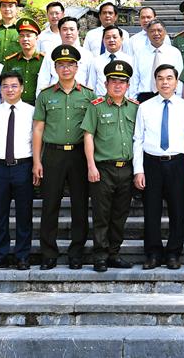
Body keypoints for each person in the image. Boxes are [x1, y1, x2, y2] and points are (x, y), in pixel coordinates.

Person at [32, 45, 96, 269]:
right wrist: (37, 161)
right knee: (50, 204)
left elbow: (92, 131)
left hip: (79, 155)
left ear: (77, 67)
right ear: (55, 67)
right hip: (53, 154)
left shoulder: (89, 95)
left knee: (80, 205)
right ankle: (48, 253)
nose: (66, 68)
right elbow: (38, 129)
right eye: (61, 65)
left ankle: (76, 252)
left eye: (70, 64)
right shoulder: (46, 95)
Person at [133, 64, 184, 270]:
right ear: (155, 82)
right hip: (152, 163)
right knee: (152, 210)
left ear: (176, 82)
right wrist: (138, 170)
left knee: (177, 210)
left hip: (177, 162)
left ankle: (174, 253)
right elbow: (138, 138)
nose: (165, 82)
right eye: (160, 78)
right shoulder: (145, 106)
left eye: (169, 78)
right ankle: (153, 253)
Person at [81, 60, 139, 272]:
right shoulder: (96, 107)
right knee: (101, 215)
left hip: (126, 168)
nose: (118, 85)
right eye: (114, 81)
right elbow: (88, 135)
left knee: (120, 215)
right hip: (103, 168)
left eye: (122, 82)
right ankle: (100, 256)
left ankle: (114, 253)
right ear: (106, 84)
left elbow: (139, 139)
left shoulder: (135, 108)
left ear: (128, 85)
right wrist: (91, 166)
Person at [0, 71, 35, 271]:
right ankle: (0, 254)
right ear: (0, 89)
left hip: (23, 166)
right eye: (5, 86)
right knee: (0, 214)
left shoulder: (31, 111)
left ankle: (22, 256)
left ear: (22, 88)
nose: (9, 89)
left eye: (13, 86)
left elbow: (36, 140)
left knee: (24, 214)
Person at [131, 18, 184, 102]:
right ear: (147, 34)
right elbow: (134, 77)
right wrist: (133, 98)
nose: (156, 33)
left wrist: (178, 97)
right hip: (145, 96)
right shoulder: (139, 53)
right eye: (152, 31)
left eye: (159, 30)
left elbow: (180, 77)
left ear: (165, 32)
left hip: (169, 95)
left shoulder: (174, 52)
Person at [36, 16, 94, 89]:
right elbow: (43, 80)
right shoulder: (51, 53)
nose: (68, 33)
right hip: (55, 96)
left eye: (72, 29)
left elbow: (91, 81)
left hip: (80, 96)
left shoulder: (87, 55)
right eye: (65, 29)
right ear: (59, 32)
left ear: (78, 31)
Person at [1, 18, 45, 105]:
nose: (25, 39)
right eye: (22, 36)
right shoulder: (11, 61)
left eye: (28, 36)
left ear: (36, 38)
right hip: (16, 105)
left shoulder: (44, 61)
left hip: (38, 106)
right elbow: (4, 84)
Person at [87, 25, 134, 98]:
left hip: (123, 103)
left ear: (121, 39)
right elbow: (91, 85)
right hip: (101, 103)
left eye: (115, 37)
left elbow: (132, 86)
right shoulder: (96, 61)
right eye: (108, 37)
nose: (111, 40)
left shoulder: (130, 60)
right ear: (103, 41)